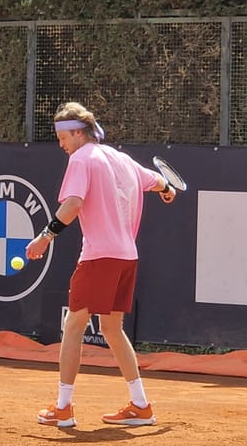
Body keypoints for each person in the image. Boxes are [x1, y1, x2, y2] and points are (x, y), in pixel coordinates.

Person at [25, 102, 176, 428]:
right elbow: (155, 181)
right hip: (126, 257)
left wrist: (44, 237)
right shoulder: (121, 158)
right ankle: (141, 405)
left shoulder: (81, 159)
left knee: (74, 327)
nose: (61, 145)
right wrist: (167, 189)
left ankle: (63, 408)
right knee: (111, 329)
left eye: (63, 137)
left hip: (100, 256)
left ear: (78, 133)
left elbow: (73, 203)